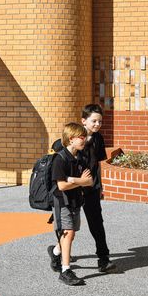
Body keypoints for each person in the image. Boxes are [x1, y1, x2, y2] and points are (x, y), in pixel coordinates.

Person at [48, 103, 119, 274]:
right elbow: (59, 159)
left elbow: (96, 165)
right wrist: (72, 181)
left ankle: (103, 259)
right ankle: (58, 253)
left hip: (91, 189)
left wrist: (98, 185)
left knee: (96, 224)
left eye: (100, 122)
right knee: (69, 227)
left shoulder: (98, 139)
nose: (97, 125)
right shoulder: (72, 140)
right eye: (94, 121)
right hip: (73, 189)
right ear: (83, 121)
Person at [50, 122, 91, 286]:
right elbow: (61, 186)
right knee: (68, 233)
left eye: (85, 137)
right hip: (62, 201)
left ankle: (55, 252)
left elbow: (90, 180)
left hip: (75, 200)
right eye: (82, 137)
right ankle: (65, 270)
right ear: (71, 139)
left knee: (71, 233)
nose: (85, 140)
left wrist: (74, 181)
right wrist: (80, 181)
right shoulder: (60, 159)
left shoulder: (81, 157)